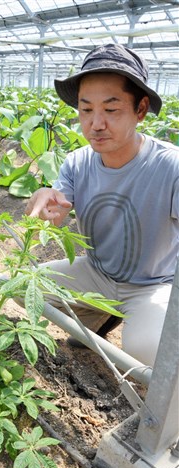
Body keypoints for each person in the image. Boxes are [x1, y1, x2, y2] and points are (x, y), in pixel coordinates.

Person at [25, 44, 179, 367]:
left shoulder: (170, 166)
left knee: (149, 352)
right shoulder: (77, 163)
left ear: (140, 109)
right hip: (96, 274)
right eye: (86, 110)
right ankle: (99, 315)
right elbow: (56, 205)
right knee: (28, 287)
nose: (96, 124)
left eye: (111, 110)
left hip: (151, 286)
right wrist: (44, 200)